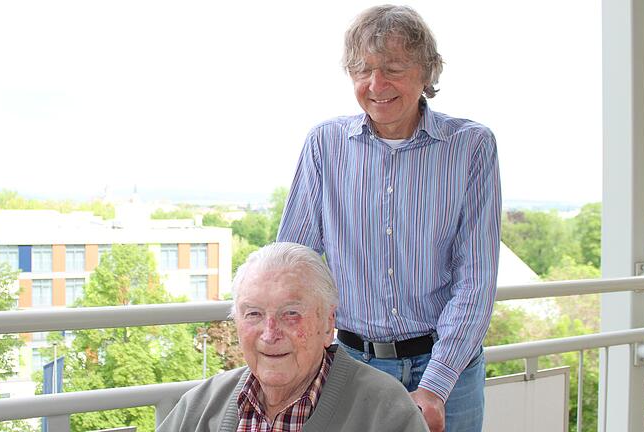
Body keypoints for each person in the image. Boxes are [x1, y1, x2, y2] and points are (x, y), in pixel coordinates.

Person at [277, 5, 501, 432]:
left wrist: (436, 385)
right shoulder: (325, 144)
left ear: (427, 73)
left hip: (447, 368)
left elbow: (476, 277)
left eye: (393, 68)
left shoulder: (471, 147)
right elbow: (294, 263)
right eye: (363, 70)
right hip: (350, 366)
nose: (376, 85)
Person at [159, 242, 429, 431]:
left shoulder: (386, 412)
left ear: (327, 324)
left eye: (290, 313)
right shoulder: (201, 407)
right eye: (253, 314)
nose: (270, 333)